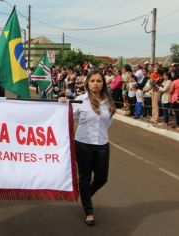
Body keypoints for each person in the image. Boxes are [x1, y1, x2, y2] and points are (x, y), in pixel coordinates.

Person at [59, 70, 116, 226]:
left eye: (99, 81)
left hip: (103, 144)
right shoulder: (80, 100)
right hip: (83, 144)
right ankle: (89, 211)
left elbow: (107, 123)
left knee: (102, 178)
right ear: (87, 83)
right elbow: (66, 114)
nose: (95, 84)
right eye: (92, 81)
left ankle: (85, 196)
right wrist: (62, 102)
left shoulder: (109, 101)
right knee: (84, 177)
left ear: (103, 83)